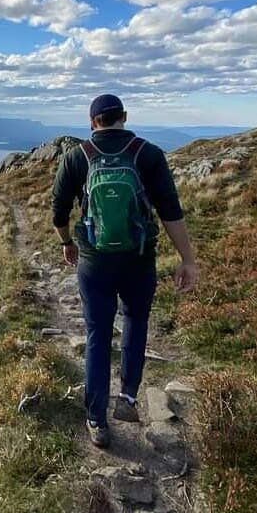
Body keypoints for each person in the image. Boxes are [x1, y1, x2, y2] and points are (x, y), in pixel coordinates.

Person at [52, 94, 198, 448]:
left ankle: (96, 419)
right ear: (124, 117)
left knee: (97, 334)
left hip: (94, 262)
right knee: (135, 320)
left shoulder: (77, 156)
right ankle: (129, 399)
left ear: (92, 122)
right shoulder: (148, 154)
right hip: (139, 259)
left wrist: (67, 242)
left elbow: (58, 209)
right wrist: (187, 259)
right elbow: (170, 211)